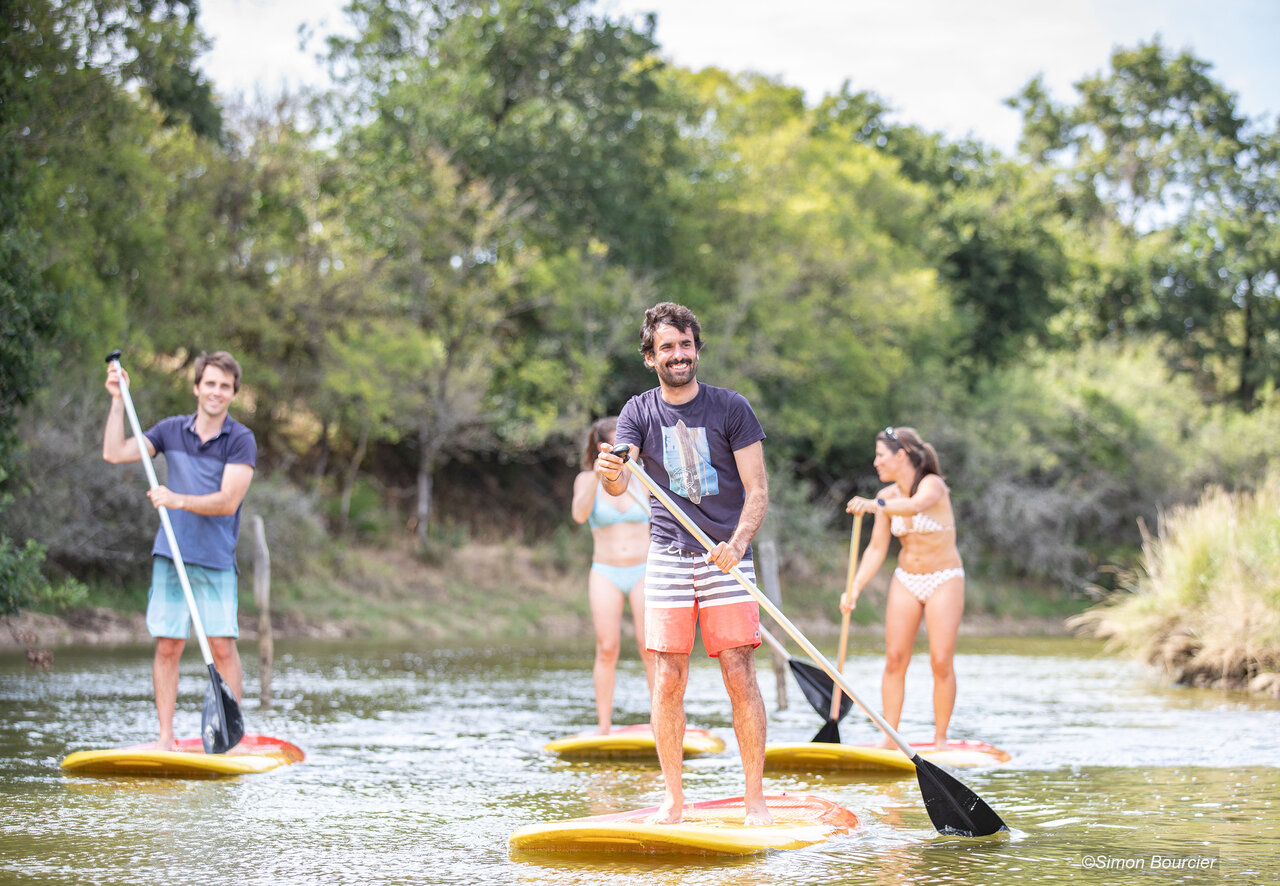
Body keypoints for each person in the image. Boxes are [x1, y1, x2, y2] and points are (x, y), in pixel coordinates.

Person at [595, 302, 772, 826]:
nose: (679, 355)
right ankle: (673, 801)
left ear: (697, 349)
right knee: (667, 678)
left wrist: (738, 543)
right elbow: (621, 479)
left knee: (739, 672)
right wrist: (610, 470)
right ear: (650, 356)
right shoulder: (638, 412)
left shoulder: (731, 408)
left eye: (686, 345)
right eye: (667, 347)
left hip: (726, 558)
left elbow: (758, 491)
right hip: (669, 557)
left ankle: (754, 801)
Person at [103, 351, 256, 751]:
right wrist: (119, 399)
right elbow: (114, 452)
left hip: (216, 559)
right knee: (168, 645)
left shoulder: (240, 440)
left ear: (233, 393)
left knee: (222, 646)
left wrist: (176, 499)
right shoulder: (172, 430)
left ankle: (231, 738)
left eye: (225, 386)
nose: (216, 392)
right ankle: (164, 738)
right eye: (210, 383)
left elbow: (226, 501)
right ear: (196, 387)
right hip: (170, 555)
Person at [842, 426, 964, 751]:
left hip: (944, 578)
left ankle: (941, 740)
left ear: (900, 456)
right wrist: (854, 587)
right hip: (907, 579)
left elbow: (915, 506)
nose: (875, 462)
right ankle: (889, 738)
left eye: (881, 455)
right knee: (895, 658)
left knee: (940, 661)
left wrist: (872, 504)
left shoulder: (932, 485)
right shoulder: (887, 497)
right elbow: (876, 549)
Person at [570, 416, 656, 734]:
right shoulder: (584, 479)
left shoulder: (643, 476)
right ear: (602, 447)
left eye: (630, 443)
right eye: (620, 444)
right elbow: (579, 515)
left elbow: (665, 514)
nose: (627, 449)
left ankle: (658, 721)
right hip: (605, 570)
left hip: (643, 569)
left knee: (650, 646)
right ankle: (603, 726)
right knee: (607, 647)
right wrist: (596, 476)